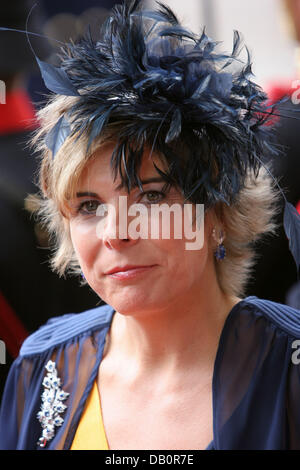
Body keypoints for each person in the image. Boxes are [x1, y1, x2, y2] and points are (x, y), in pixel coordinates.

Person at [1, 0, 300, 450]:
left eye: (153, 196)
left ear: (217, 214)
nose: (116, 232)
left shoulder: (289, 370)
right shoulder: (42, 366)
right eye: (88, 205)